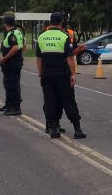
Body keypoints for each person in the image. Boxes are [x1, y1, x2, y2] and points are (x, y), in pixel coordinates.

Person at [36, 11, 86, 139]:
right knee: (69, 100)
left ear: (50, 21)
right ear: (61, 22)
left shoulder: (42, 36)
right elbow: (70, 58)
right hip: (62, 74)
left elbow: (39, 59)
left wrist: (41, 75)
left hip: (47, 74)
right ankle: (77, 130)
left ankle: (53, 129)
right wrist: (73, 74)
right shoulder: (64, 36)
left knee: (49, 101)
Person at [0, 11, 24, 116]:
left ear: (5, 24)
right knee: (8, 84)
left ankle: (15, 108)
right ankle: (9, 104)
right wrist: (2, 57)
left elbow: (15, 48)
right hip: (13, 62)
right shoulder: (17, 32)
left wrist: (4, 58)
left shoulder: (12, 34)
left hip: (12, 63)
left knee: (12, 85)